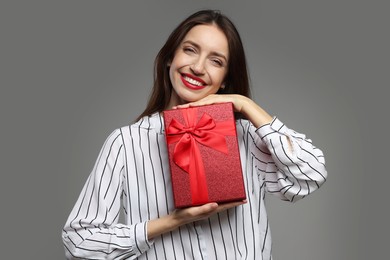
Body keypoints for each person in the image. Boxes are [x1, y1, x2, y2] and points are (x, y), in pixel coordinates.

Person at [62, 9, 327, 260]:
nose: (198, 67)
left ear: (225, 78)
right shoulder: (126, 142)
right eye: (190, 50)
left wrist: (245, 105)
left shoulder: (247, 136)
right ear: (170, 58)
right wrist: (173, 221)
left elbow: (310, 175)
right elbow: (79, 242)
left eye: (216, 61)